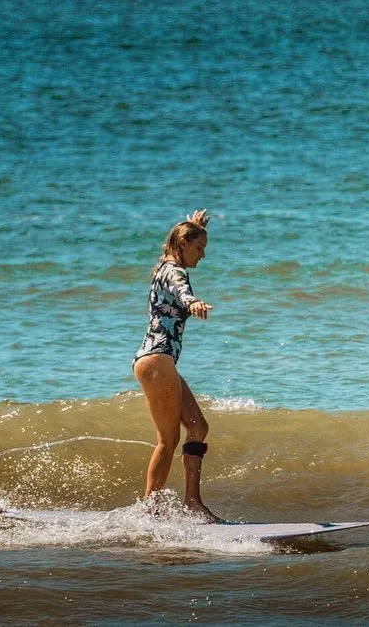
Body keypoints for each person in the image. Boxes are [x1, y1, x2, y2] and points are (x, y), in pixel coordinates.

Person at [132, 208, 221, 523]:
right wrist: (192, 302)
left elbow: (175, 254)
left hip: (160, 362)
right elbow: (181, 290)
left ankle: (192, 504)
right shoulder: (175, 272)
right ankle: (151, 510)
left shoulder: (166, 263)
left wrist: (193, 228)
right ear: (183, 245)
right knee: (167, 440)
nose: (203, 255)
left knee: (198, 427)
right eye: (199, 248)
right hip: (157, 360)